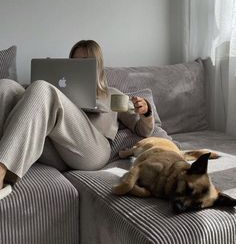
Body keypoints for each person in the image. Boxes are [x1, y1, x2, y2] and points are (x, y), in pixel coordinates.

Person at [0, 40, 154, 197]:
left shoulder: (112, 94)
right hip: (57, 151)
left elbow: (143, 129)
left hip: (92, 151)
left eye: (87, 62)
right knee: (6, 86)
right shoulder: (57, 93)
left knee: (42, 88)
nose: (81, 67)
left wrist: (146, 112)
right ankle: (6, 173)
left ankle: (2, 171)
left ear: (99, 66)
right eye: (76, 62)